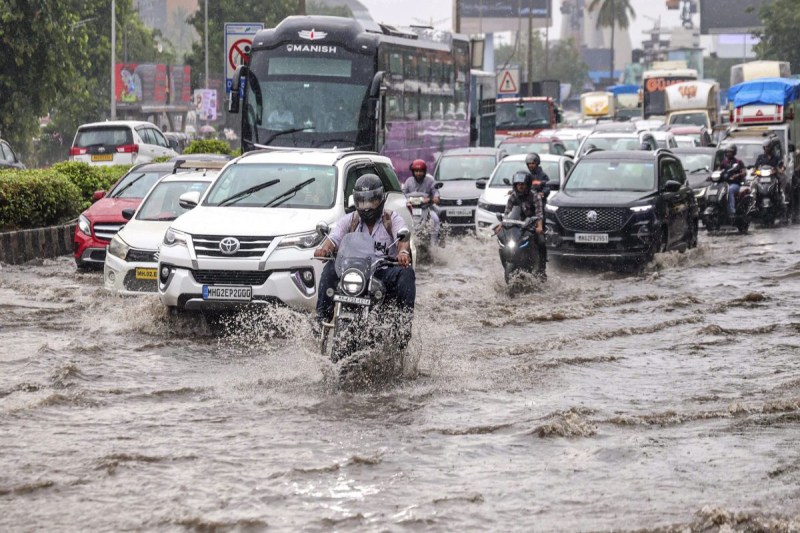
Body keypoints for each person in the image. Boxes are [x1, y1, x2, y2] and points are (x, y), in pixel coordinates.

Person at [314, 174, 415, 338]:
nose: (366, 207)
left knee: (406, 273)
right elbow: (333, 239)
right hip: (354, 270)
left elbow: (403, 238)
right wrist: (323, 249)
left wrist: (403, 252)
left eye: (371, 201)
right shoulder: (349, 220)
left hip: (382, 272)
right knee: (330, 269)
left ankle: (403, 326)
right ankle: (321, 321)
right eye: (362, 202)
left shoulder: (391, 219)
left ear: (380, 199)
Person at [503, 170, 546, 279]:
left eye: (522, 184)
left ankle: (542, 268)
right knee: (503, 239)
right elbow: (507, 213)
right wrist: (501, 224)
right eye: (518, 184)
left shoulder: (535, 196)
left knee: (541, 241)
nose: (520, 187)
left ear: (527, 184)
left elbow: (539, 214)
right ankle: (508, 260)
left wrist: (539, 226)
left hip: (533, 225)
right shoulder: (513, 197)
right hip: (517, 226)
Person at [402, 159, 441, 246]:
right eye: (416, 171)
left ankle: (434, 245)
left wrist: (432, 199)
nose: (418, 173)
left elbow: (436, 195)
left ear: (424, 171)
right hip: (411, 210)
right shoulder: (409, 181)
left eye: (420, 171)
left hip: (427, 209)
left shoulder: (430, 181)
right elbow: (403, 194)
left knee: (435, 220)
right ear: (413, 172)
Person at [525, 153, 550, 278]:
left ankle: (542, 265)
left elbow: (547, 188)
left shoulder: (542, 175)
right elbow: (521, 187)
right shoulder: (526, 176)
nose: (531, 165)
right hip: (527, 212)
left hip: (538, 211)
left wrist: (542, 193)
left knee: (540, 240)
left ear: (537, 163)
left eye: (533, 163)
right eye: (529, 164)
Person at [718, 143, 746, 217]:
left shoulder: (738, 162)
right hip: (724, 184)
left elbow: (744, 172)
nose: (728, 153)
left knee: (730, 190)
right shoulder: (723, 163)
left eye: (730, 152)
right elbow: (718, 171)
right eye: (727, 152)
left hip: (735, 184)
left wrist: (738, 175)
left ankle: (732, 211)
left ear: (734, 152)